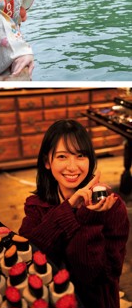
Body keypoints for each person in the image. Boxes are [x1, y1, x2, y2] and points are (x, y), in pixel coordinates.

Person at [19, 119, 129, 308]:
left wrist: (88, 217)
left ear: (90, 160)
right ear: (47, 161)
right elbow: (29, 256)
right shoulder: (36, 205)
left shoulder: (112, 207)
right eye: (62, 157)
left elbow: (100, 276)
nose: (72, 167)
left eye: (80, 156)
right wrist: (69, 207)